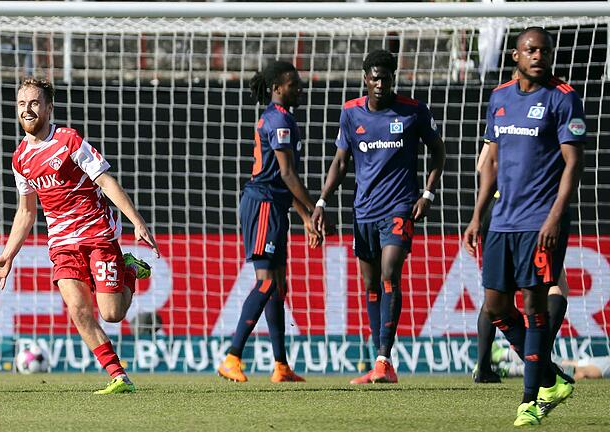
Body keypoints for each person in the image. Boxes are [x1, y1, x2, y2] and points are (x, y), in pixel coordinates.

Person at [0, 77, 159, 394]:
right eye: (22, 104)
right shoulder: (20, 158)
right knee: (78, 310)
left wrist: (137, 221)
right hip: (62, 244)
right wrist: (8, 255)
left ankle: (129, 269)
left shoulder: (69, 141)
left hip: (97, 234)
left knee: (112, 314)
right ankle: (119, 377)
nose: (27, 109)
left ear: (49, 108)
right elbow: (26, 212)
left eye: (34, 103)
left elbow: (105, 181)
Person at [463, 27, 585, 426]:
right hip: (502, 220)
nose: (538, 55)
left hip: (540, 222)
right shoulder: (499, 98)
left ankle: (531, 399)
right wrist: (478, 215)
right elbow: (493, 163)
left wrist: (553, 217)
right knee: (496, 306)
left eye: (544, 50)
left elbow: (573, 163)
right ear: (515, 55)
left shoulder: (563, 98)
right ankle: (550, 378)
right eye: (530, 50)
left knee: (534, 306)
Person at [312, 49, 446, 384]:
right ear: (365, 79)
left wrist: (427, 194)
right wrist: (322, 201)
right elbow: (341, 162)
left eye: (385, 78)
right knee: (371, 285)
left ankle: (385, 358)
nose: (380, 83)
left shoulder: (413, 111)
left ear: (393, 79)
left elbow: (439, 151)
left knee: (389, 275)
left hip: (399, 206)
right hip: (364, 211)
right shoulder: (350, 113)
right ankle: (379, 362)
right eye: (374, 77)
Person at [217, 60, 322, 383]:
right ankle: (232, 357)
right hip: (262, 205)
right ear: (277, 88)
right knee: (266, 282)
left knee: (279, 286)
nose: (300, 88)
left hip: (274, 204)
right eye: (293, 84)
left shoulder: (284, 118)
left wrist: (304, 216)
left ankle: (281, 366)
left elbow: (282, 179)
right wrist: (317, 208)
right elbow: (287, 174)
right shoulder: (278, 120)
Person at [473, 142, 572, 386]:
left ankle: (484, 366)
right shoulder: (548, 116)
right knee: (554, 286)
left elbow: (482, 165)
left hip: (496, 209)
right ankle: (539, 361)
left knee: (497, 292)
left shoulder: (503, 111)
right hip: (530, 209)